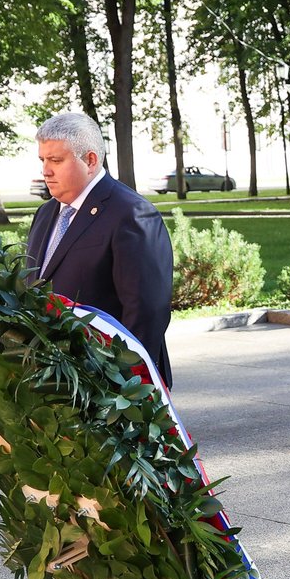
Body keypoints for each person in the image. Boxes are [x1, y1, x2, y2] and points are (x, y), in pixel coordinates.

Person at [23, 111, 176, 385]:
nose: (46, 170)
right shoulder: (45, 214)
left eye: (56, 160)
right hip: (53, 379)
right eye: (43, 160)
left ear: (90, 160)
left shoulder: (132, 213)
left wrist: (120, 381)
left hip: (110, 385)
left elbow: (146, 311)